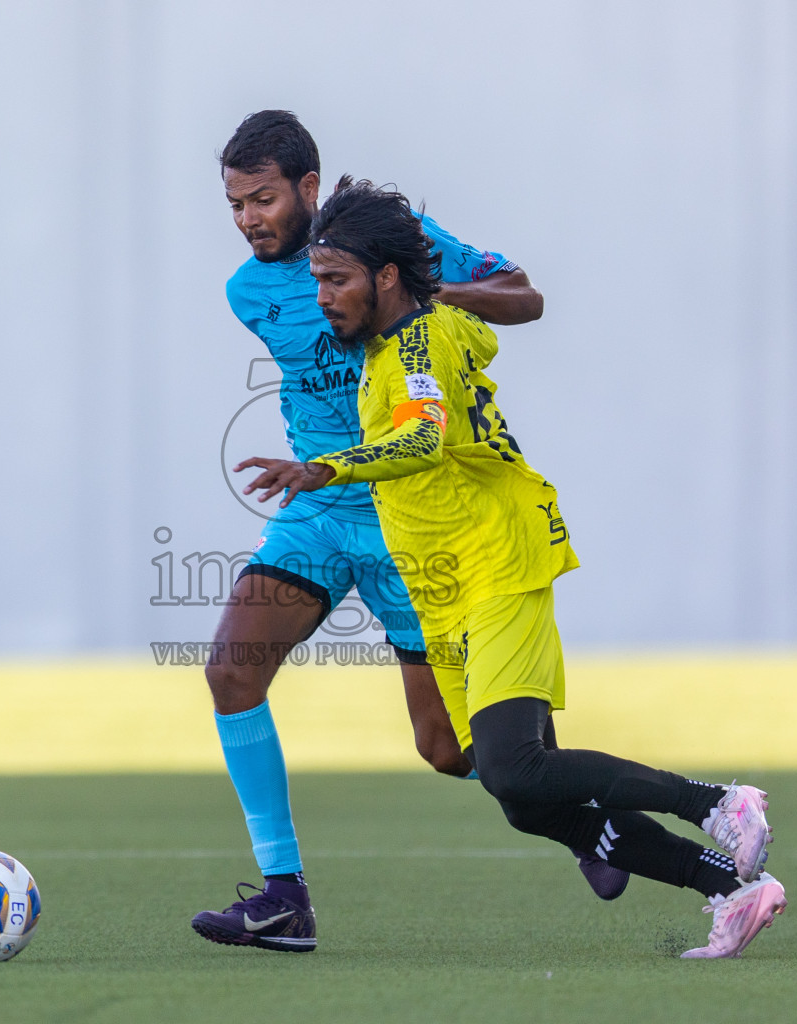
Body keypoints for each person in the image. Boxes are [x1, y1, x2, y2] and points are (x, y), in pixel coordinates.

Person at [236, 177, 787, 959]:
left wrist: (325, 469)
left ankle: (720, 805)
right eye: (318, 279)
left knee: (515, 763)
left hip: (497, 561)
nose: (321, 297)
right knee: (519, 795)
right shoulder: (407, 336)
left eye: (336, 280)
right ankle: (731, 889)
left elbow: (423, 436)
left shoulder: (419, 342)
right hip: (444, 583)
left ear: (386, 277)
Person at [190, 111, 623, 955]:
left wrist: (430, 296)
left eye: (263, 198)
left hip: (413, 515)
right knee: (231, 670)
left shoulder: (403, 243)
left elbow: (525, 297)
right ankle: (284, 898)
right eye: (236, 203)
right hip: (320, 503)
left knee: (452, 750)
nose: (248, 219)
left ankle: (586, 819)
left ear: (308, 189)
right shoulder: (248, 292)